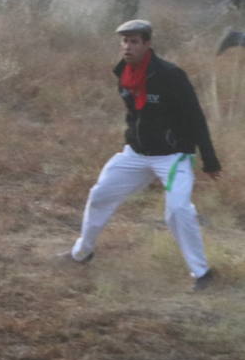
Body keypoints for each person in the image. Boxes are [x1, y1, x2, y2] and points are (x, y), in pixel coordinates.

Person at [70, 20, 220, 290]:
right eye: (124, 41)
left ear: (147, 43)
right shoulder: (123, 73)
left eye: (134, 41)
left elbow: (195, 116)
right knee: (99, 194)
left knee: (177, 210)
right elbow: (135, 116)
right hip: (136, 154)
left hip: (173, 157)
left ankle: (202, 273)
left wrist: (209, 158)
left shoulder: (171, 75)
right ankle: (82, 253)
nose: (128, 46)